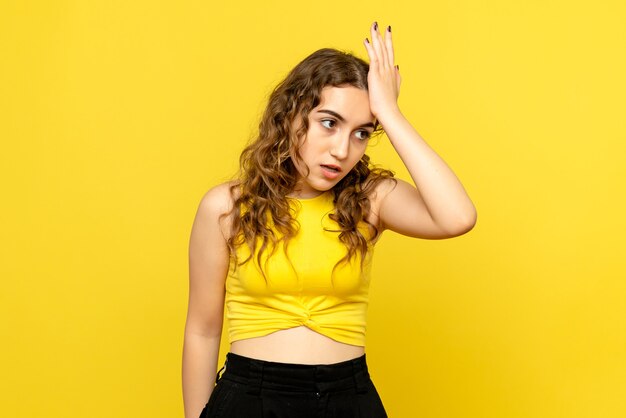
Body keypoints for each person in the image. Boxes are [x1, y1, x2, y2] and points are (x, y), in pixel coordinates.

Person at [182, 21, 477, 418]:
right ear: (291, 115)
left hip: (347, 399)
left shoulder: (369, 200)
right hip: (249, 400)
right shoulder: (228, 207)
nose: (342, 149)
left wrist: (390, 112)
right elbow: (202, 331)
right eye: (329, 122)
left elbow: (458, 217)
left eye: (361, 133)